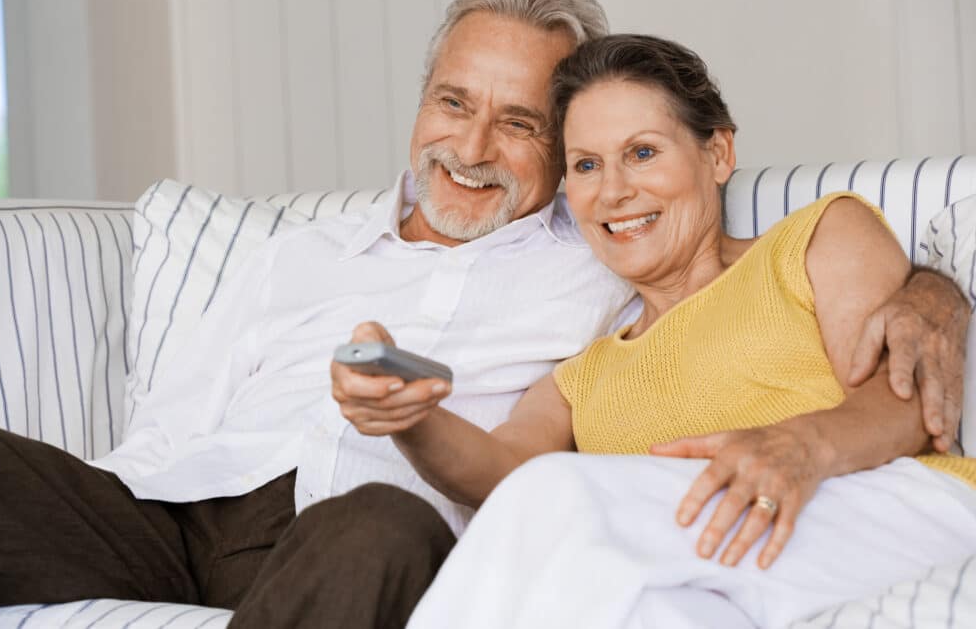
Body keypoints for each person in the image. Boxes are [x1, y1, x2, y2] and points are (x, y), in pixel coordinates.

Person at [0, 0, 966, 629]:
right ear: (422, 98)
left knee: (379, 523)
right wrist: (107, 501)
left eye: (520, 125)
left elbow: (879, 351)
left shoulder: (596, 253)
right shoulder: (302, 251)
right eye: (452, 102)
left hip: (347, 533)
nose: (471, 149)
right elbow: (170, 422)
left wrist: (936, 286)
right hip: (171, 516)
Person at [380, 35, 975, 628]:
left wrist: (799, 448)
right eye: (587, 166)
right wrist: (408, 418)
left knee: (556, 493)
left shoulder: (815, 240)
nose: (613, 191)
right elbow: (502, 472)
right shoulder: (580, 379)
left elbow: (909, 397)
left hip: (883, 501)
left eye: (641, 153)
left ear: (717, 153)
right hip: (731, 557)